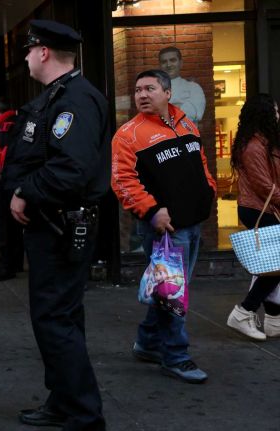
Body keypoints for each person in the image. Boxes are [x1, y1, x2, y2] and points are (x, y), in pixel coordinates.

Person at [5, 20, 109, 429]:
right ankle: (64, 400)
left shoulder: (74, 101)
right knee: (59, 317)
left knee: (55, 320)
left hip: (63, 226)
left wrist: (25, 191)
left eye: (29, 50)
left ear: (44, 52)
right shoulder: (58, 96)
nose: (27, 58)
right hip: (52, 226)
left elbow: (71, 169)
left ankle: (84, 414)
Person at [111, 69, 216, 384]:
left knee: (168, 291)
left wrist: (208, 191)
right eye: (138, 90)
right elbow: (122, 181)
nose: (142, 95)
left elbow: (202, 164)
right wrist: (152, 211)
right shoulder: (128, 134)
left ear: (168, 93)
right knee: (174, 296)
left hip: (193, 222)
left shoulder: (186, 124)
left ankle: (147, 343)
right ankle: (176, 357)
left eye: (150, 88)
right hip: (165, 230)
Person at [226, 93, 280, 340]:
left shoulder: (264, 142)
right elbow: (264, 186)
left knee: (272, 265)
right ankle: (244, 311)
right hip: (258, 208)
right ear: (265, 114)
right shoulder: (254, 146)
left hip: (265, 208)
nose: (278, 114)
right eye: (275, 110)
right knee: (274, 267)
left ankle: (274, 320)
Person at [0, 97, 23, 281]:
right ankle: (14, 262)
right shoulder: (9, 124)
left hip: (6, 181)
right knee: (11, 226)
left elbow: (8, 155)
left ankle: (7, 265)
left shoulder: (5, 126)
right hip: (7, 179)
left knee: (5, 226)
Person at [158, 47, 206, 125]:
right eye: (164, 62)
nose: (168, 65)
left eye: (173, 60)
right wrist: (180, 107)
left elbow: (195, 114)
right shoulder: (152, 90)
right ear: (160, 66)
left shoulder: (194, 88)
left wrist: (162, 109)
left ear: (181, 63)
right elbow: (150, 117)